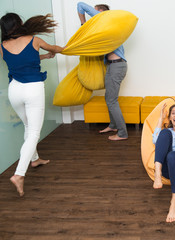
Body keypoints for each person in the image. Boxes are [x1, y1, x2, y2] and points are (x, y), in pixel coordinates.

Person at [0, 13, 64, 197]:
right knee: (34, 132)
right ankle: (19, 174)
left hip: (14, 90)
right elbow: (57, 48)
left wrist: (44, 56)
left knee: (28, 127)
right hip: (32, 89)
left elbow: (20, 62)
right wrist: (67, 48)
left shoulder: (3, 46)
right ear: (18, 24)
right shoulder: (34, 40)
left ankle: (35, 160)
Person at [77, 2, 129, 141]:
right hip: (112, 66)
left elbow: (80, 5)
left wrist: (83, 25)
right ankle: (113, 125)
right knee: (109, 99)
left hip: (117, 66)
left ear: (100, 12)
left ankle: (122, 133)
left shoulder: (106, 19)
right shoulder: (104, 28)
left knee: (112, 101)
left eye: (95, 12)